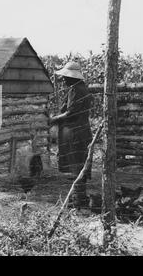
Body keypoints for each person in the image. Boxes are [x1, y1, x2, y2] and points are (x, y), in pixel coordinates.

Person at [49, 61, 93, 208]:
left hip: (74, 133)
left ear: (72, 77)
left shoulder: (75, 90)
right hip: (82, 131)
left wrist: (53, 119)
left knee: (76, 166)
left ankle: (79, 200)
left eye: (65, 77)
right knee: (80, 165)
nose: (63, 80)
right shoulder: (82, 88)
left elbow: (71, 113)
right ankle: (78, 198)